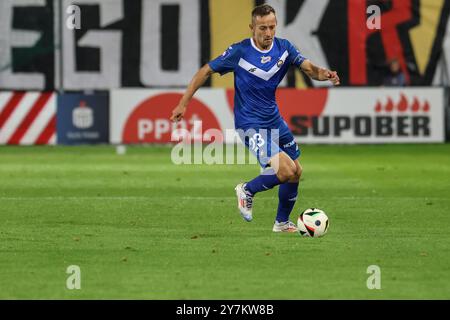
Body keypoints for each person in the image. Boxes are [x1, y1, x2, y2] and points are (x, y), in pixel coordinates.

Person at [170, 4, 340, 232]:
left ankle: (281, 223)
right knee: (285, 171)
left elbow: (310, 69)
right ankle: (247, 190)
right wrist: (183, 103)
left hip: (274, 120)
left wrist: (325, 74)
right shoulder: (239, 52)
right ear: (252, 27)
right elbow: (205, 71)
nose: (268, 33)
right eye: (262, 28)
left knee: (296, 172)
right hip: (250, 124)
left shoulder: (285, 48)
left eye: (271, 27)